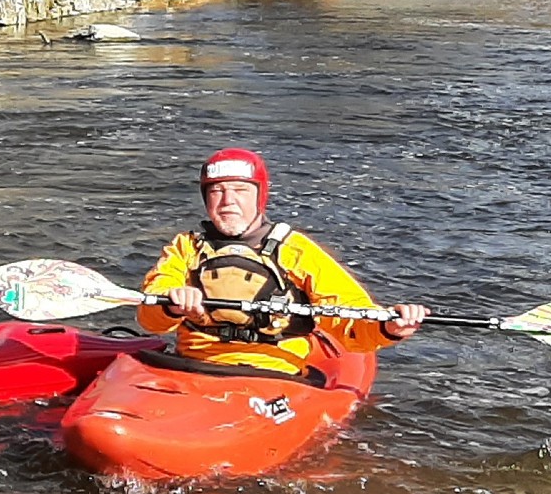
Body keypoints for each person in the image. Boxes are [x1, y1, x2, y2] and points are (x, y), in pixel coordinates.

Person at [137, 147, 427, 376]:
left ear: (260, 196)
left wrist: (389, 328)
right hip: (191, 365)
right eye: (216, 191)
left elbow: (350, 317)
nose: (227, 201)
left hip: (272, 372)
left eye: (240, 190)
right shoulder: (186, 247)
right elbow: (150, 316)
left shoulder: (295, 250)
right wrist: (171, 303)